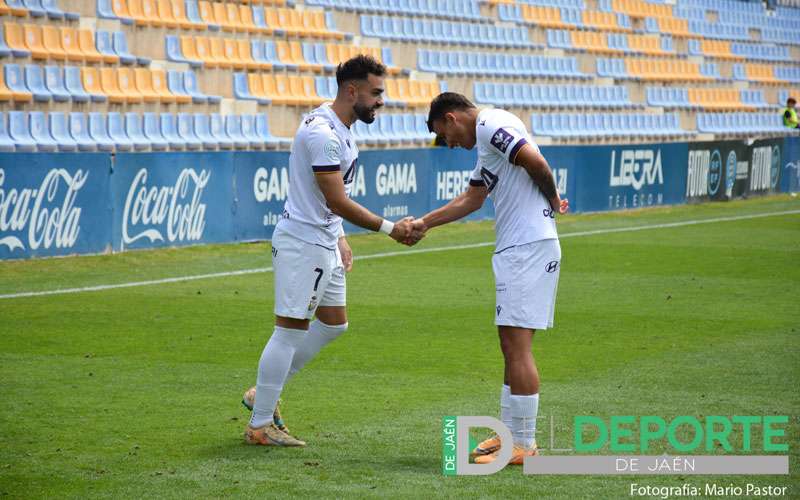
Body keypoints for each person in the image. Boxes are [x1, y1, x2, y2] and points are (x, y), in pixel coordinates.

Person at [242, 55, 419, 447]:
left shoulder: (340, 126)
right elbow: (336, 199)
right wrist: (391, 229)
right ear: (351, 90)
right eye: (375, 93)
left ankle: (262, 394)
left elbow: (330, 204)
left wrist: (338, 235)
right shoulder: (323, 133)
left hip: (323, 239)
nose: (381, 101)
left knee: (334, 323)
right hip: (303, 244)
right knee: (289, 331)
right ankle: (259, 425)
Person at [410, 93, 568, 464]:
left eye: (445, 136)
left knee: (518, 347)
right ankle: (508, 434)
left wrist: (555, 198)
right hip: (519, 248)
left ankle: (525, 445)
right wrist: (424, 224)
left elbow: (536, 161)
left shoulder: (490, 125)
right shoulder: (485, 145)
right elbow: (471, 200)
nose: (450, 144)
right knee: (509, 345)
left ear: (451, 118)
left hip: (527, 246)